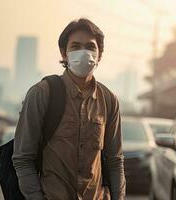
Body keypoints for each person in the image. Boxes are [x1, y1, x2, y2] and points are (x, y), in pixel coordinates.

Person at [12, 18, 126, 200]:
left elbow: (115, 160)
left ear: (99, 55)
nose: (83, 52)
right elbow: (23, 159)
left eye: (90, 46)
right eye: (75, 46)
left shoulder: (109, 100)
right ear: (64, 53)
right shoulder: (42, 94)